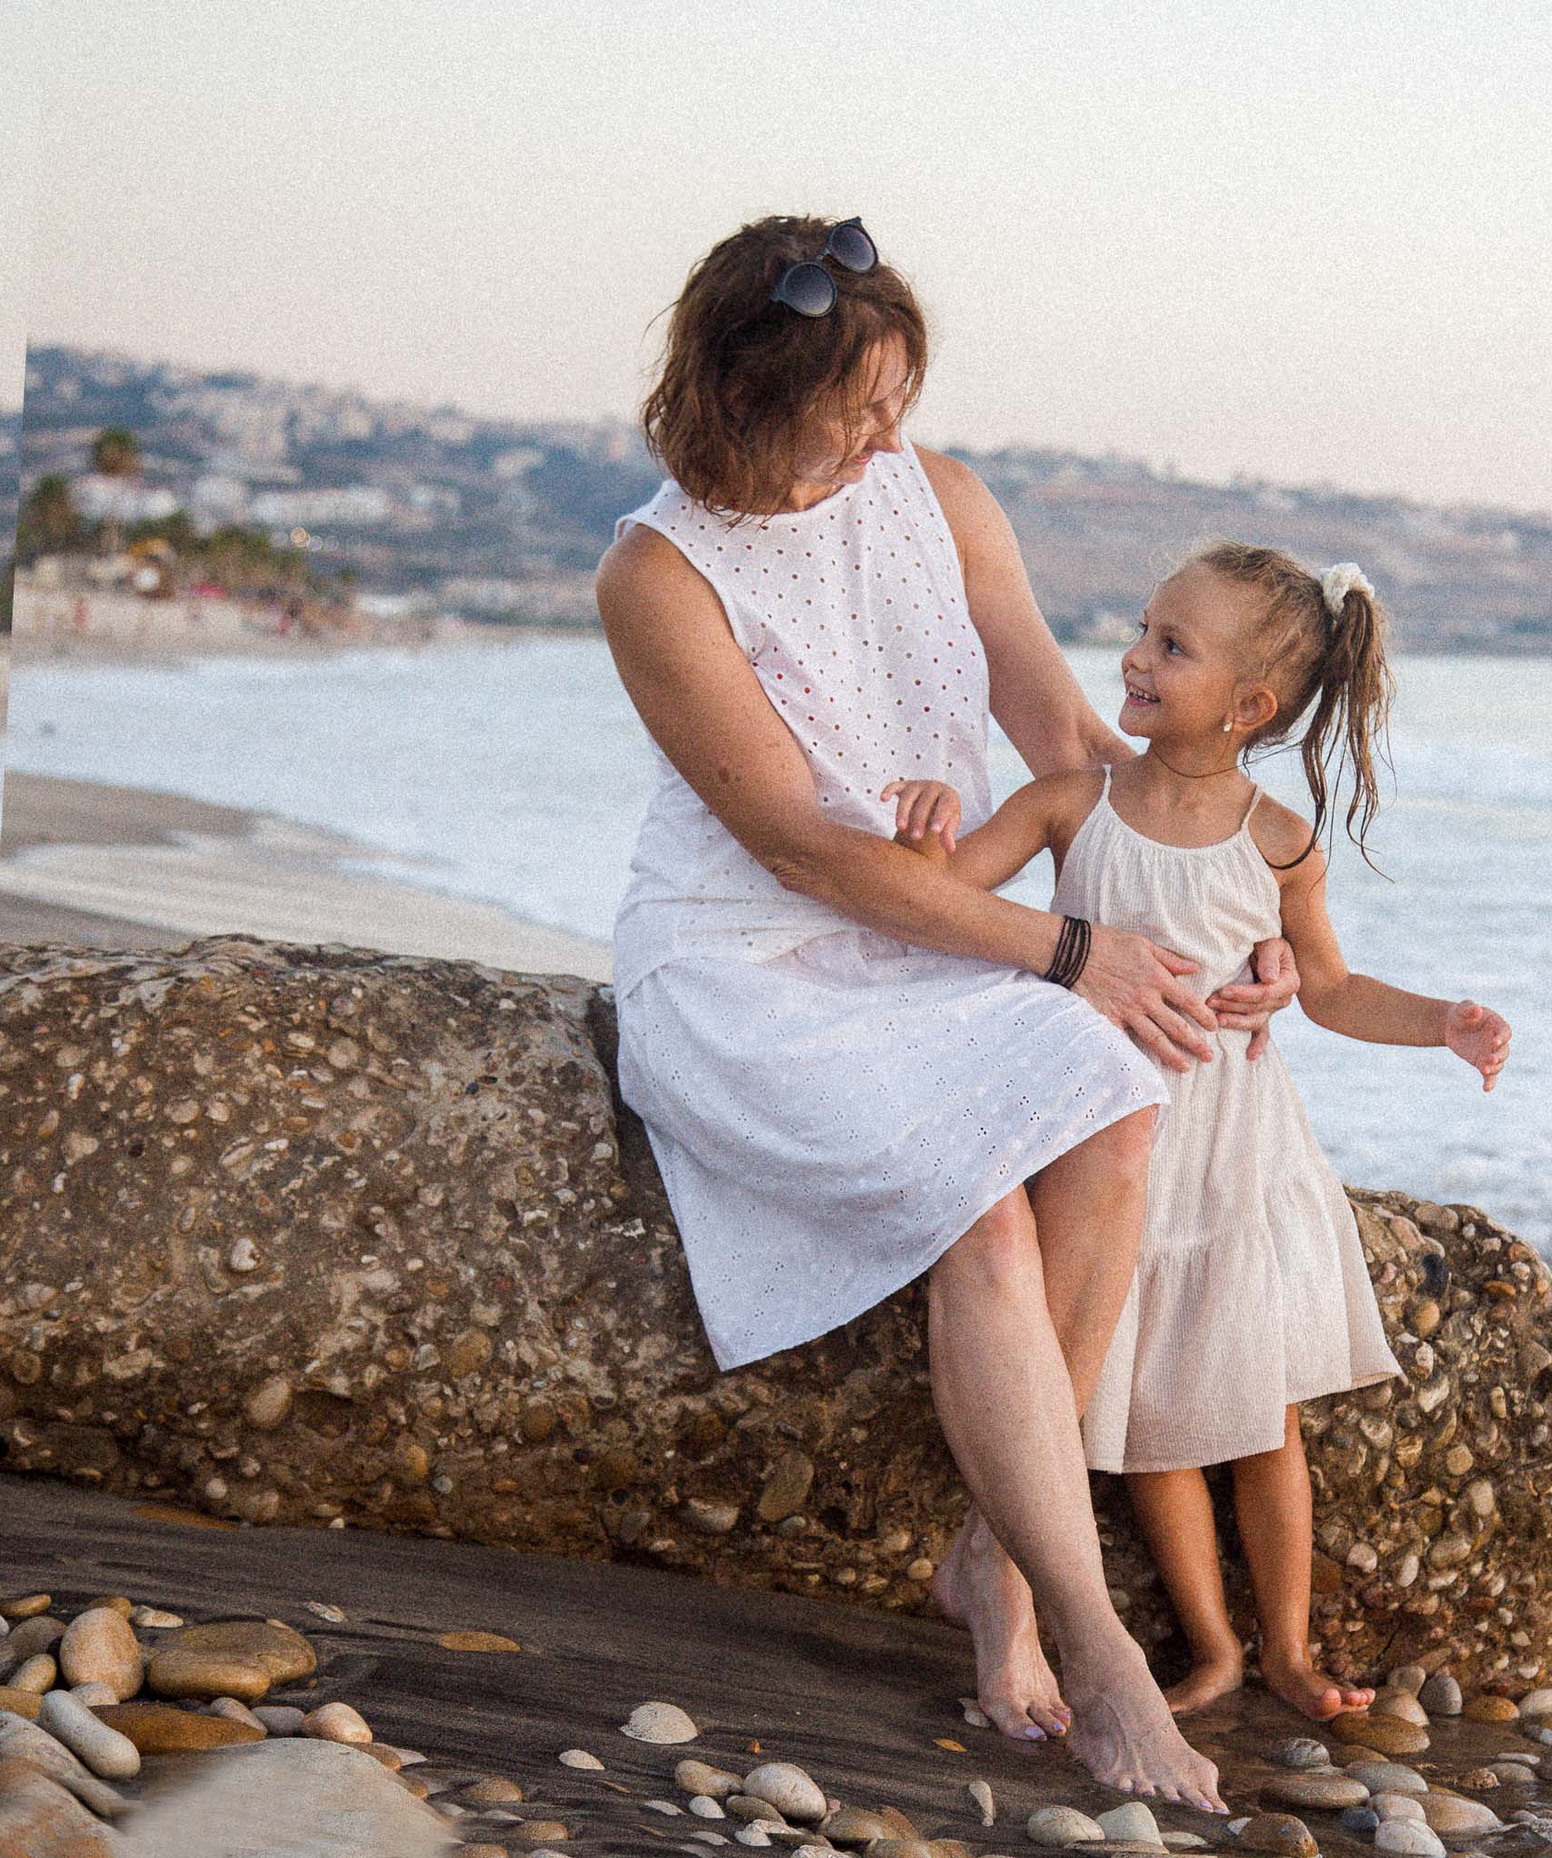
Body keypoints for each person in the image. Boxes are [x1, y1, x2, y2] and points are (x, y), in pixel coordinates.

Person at [595, 215, 1293, 1807]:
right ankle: (1099, 1647)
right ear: (742, 391)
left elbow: (1060, 731)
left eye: (899, 399)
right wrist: (1057, 951)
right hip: (748, 962)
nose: (886, 439)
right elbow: (801, 848)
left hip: (946, 927)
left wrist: (1217, 914)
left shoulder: (940, 496)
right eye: (855, 410)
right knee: (984, 1218)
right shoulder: (654, 573)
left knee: (1120, 1099)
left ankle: (996, 1554)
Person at [894, 541, 1512, 1718]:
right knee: (1155, 1425)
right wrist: (925, 831)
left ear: (1248, 706)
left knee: (1262, 1412)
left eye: (1169, 646)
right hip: (1105, 1158)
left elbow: (1326, 987)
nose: (1130, 657)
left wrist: (1442, 1021)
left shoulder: (1277, 841)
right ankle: (1214, 1647)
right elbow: (943, 900)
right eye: (1141, 627)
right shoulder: (1071, 803)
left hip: (1234, 1164)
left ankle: (1285, 1645)